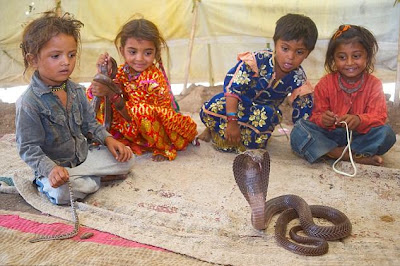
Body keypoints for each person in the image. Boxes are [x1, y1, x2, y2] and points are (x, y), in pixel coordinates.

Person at [16, 11, 134, 205]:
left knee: (128, 159)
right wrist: (51, 170)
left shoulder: (77, 91)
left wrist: (109, 139)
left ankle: (82, 179)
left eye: (71, 55)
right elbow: (29, 148)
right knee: (63, 194)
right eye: (56, 56)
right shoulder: (29, 103)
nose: (66, 62)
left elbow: (90, 124)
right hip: (55, 167)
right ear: (33, 60)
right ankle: (69, 180)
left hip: (83, 157)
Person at [198, 13, 318, 152]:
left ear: (307, 54)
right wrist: (231, 122)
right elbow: (232, 89)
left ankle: (225, 135)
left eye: (299, 52)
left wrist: (305, 136)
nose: (290, 57)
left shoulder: (299, 79)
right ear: (275, 44)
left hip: (262, 114)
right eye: (285, 49)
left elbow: (303, 115)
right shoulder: (257, 60)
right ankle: (213, 130)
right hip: (237, 105)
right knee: (211, 108)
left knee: (264, 122)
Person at [88, 17, 197, 162]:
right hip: (131, 126)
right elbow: (95, 97)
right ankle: (107, 138)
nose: (139, 59)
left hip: (157, 128)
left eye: (147, 53)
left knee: (142, 112)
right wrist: (104, 74)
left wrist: (111, 93)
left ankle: (162, 147)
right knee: (96, 96)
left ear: (156, 53)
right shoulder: (121, 71)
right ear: (122, 51)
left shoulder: (153, 80)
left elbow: (132, 115)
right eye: (132, 52)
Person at [290, 25, 397, 166]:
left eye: (356, 56)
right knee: (299, 130)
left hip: (359, 137)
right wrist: (324, 119)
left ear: (367, 56)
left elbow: (379, 117)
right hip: (330, 135)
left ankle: (331, 153)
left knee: (387, 134)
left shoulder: (374, 84)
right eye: (342, 57)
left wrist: (359, 120)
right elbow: (316, 117)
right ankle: (349, 155)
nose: (350, 63)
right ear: (333, 58)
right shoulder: (326, 83)